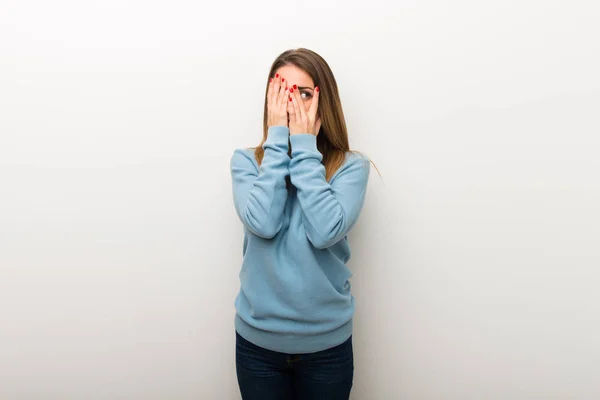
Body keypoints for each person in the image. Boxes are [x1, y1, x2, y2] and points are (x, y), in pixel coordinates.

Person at [230, 48, 372, 400]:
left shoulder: (350, 167)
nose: (292, 104)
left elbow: (323, 232)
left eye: (304, 93)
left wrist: (304, 146)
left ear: (324, 103)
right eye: (281, 92)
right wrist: (279, 142)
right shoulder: (246, 162)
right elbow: (263, 223)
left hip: (326, 347)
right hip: (258, 344)